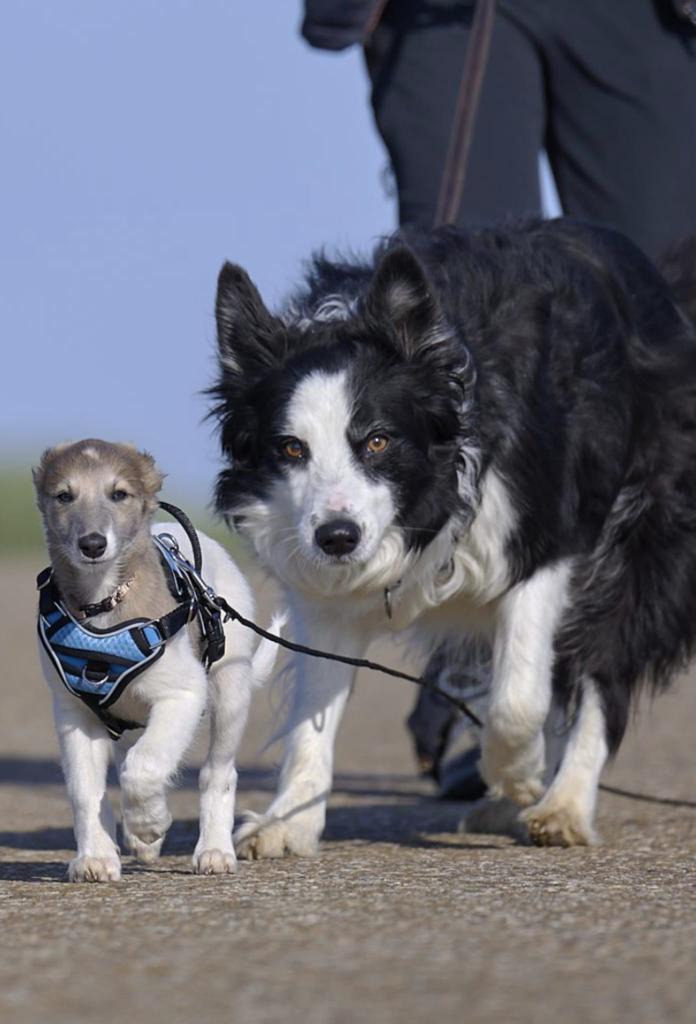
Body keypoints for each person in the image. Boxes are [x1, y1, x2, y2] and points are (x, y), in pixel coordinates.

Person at [300, 0, 696, 794]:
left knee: (664, 321)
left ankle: (597, 666)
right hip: (449, 14)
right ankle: (475, 680)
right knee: (452, 311)